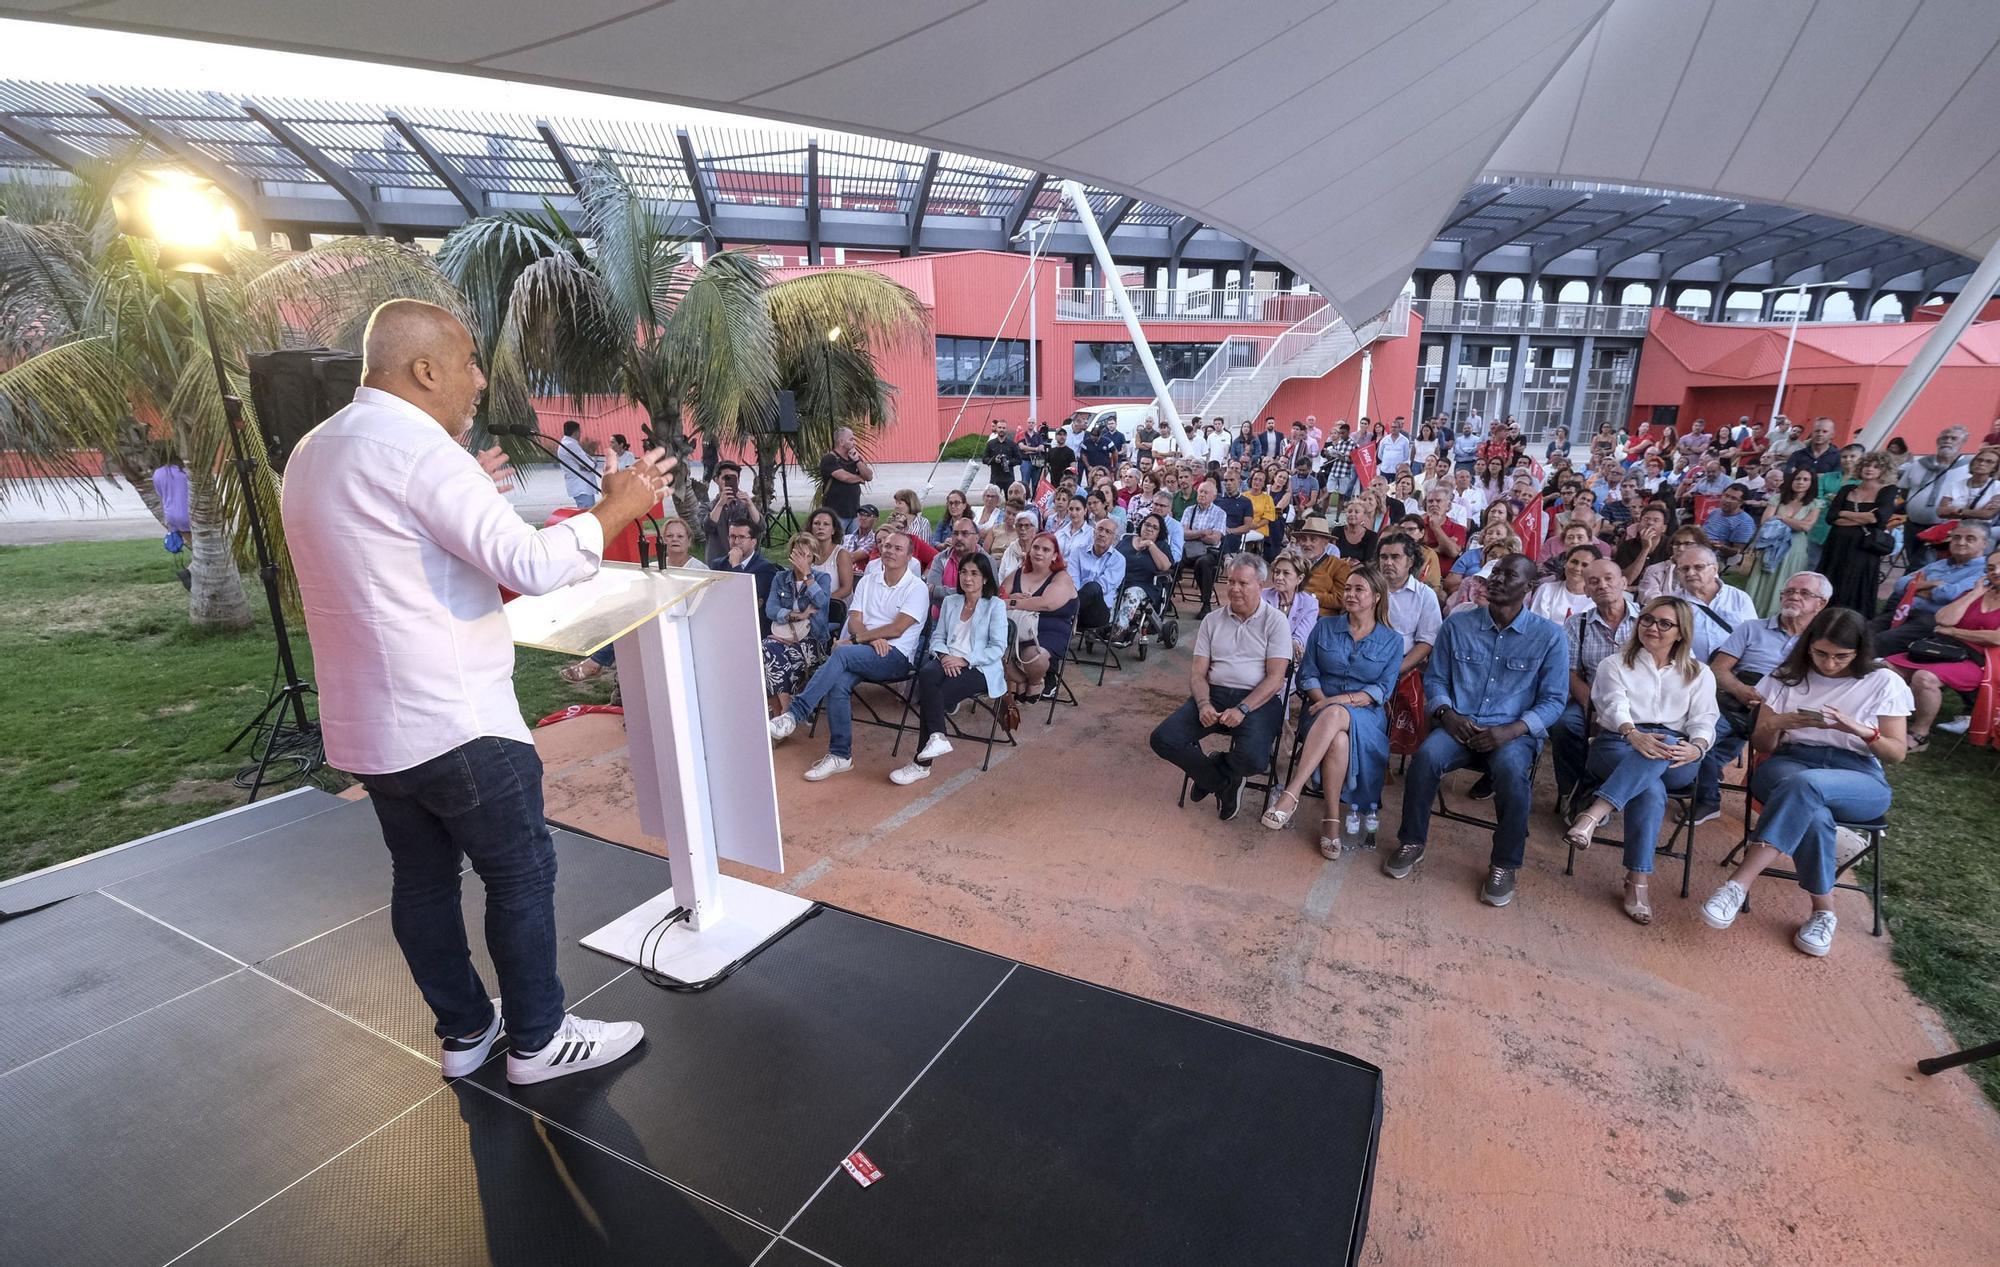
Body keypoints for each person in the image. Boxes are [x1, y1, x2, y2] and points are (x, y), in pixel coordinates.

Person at [282, 299, 661, 1085]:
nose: (480, 379)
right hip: (457, 722)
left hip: (369, 731)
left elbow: (398, 557)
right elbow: (525, 563)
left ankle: (465, 1032)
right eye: (468, 362)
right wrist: (615, 508)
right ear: (424, 370)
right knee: (519, 873)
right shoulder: (421, 453)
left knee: (421, 881)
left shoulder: (315, 450)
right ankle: (539, 1038)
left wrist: (467, 490)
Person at [1700, 608, 1911, 958]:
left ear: (1860, 651)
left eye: (1841, 656)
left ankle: (1738, 885)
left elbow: (1896, 753)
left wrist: (1860, 730)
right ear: (1808, 646)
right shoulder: (1786, 677)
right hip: (1790, 762)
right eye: (1821, 653)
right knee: (1810, 807)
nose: (1829, 664)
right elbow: (1763, 745)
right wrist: (1776, 723)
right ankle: (1824, 912)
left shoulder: (1883, 681)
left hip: (1857, 774)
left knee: (1807, 788)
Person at [1382, 555, 1569, 908]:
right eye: (1494, 573)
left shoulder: (1549, 637)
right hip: (1459, 725)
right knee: (1425, 759)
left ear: (1529, 588)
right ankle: (1412, 841)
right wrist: (1446, 714)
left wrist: (1511, 730)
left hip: (1512, 733)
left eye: (1508, 575)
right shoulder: (1458, 625)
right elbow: (1435, 678)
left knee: (1513, 773)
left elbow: (1554, 701)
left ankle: (1504, 863)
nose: (1495, 579)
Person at [1562, 597, 1719, 925]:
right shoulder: (1615, 664)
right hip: (1618, 743)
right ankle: (1637, 883)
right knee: (1649, 789)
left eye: (1665, 623)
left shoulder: (1699, 673)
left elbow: (1705, 720)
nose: (1653, 628)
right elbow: (1613, 706)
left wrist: (1699, 748)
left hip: (1678, 756)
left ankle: (1594, 813)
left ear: (1680, 633)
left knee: (1668, 744)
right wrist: (1633, 734)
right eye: (1647, 620)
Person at [1264, 565, 1404, 855]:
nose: (1350, 594)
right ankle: (1331, 821)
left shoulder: (1392, 640)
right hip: (1317, 709)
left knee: (1337, 714)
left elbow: (1382, 690)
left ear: (1377, 596)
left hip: (1366, 718)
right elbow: (1307, 675)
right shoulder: (1324, 627)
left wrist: (1337, 702)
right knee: (1337, 735)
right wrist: (1324, 701)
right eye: (1348, 588)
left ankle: (1292, 792)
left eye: (1359, 589)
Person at [769, 528, 928, 781]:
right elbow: (854, 620)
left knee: (841, 655)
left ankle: (794, 714)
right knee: (838, 683)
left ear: (910, 556)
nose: (890, 551)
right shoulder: (867, 580)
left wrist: (855, 640)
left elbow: (898, 628)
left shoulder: (917, 588)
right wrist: (869, 638)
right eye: (886, 546)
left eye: (898, 548)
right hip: (865, 649)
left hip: (896, 657)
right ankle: (841, 755)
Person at [1147, 555, 1293, 822]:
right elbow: (1198, 673)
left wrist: (1243, 708)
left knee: (1255, 761)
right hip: (1213, 694)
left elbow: (1275, 679)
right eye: (1231, 582)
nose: (1235, 588)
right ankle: (1222, 782)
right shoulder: (1212, 620)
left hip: (1257, 700)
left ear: (1260, 585)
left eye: (1243, 583)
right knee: (1162, 739)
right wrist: (1203, 704)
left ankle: (1215, 769)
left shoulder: (1275, 622)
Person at [1696, 572, 1832, 821]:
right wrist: (1740, 690)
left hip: (1786, 713)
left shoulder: (1825, 642)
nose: (1794, 597)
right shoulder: (1752, 628)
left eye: (1803, 593)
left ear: (1820, 603)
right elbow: (1718, 669)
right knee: (1699, 741)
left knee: (1799, 759)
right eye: (1789, 591)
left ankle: (1785, 818)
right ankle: (1708, 798)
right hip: (1738, 703)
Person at [890, 553, 1008, 786]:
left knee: (936, 696)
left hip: (980, 667)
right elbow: (938, 636)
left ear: (985, 578)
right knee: (927, 673)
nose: (967, 578)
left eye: (974, 573)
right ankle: (937, 736)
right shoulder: (951, 601)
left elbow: (998, 648)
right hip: (947, 658)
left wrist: (964, 660)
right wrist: (945, 656)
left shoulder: (995, 606)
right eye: (964, 572)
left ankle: (921, 765)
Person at [1892, 547, 2000, 749]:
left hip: (1984, 660)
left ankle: (1919, 734)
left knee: (1924, 678)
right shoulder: (1976, 593)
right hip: (1948, 650)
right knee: (1886, 668)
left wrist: (1954, 632)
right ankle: (1887, 721)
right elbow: (1943, 619)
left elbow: (1996, 638)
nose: (1996, 572)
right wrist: (1974, 594)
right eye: (1991, 567)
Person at [1554, 557, 1638, 816]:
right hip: (1592, 700)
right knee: (1565, 724)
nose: (1602, 585)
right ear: (1587, 591)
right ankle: (1573, 790)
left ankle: (1602, 793)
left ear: (1624, 582)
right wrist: (1596, 708)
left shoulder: (1649, 619)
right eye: (1594, 582)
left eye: (1609, 578)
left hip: (1642, 704)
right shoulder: (1576, 624)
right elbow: (1569, 672)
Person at [1871, 520, 1991, 655]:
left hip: (1935, 620)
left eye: (1970, 539)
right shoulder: (1939, 564)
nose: (1961, 542)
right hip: (1908, 611)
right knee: (1860, 631)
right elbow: (1900, 584)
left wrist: (1916, 587)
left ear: (1984, 544)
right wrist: (1934, 584)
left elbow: (1951, 595)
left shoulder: (1985, 570)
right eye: (1956, 537)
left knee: (1880, 641)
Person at [1002, 532, 1079, 702]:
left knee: (1035, 656)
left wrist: (1012, 602)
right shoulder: (1017, 574)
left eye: (1046, 549)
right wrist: (1008, 599)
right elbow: (997, 598)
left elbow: (1047, 603)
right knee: (992, 656)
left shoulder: (1061, 577)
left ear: (1055, 556)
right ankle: (1021, 679)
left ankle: (1036, 681)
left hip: (1049, 632)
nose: (1039, 552)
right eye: (1036, 547)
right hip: (1013, 630)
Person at [1819, 451, 1898, 617]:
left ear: (1883, 470)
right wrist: (1863, 517)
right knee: (1831, 581)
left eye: (1876, 467)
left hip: (1864, 548)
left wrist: (1844, 513)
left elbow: (1879, 518)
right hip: (1837, 546)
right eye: (1867, 465)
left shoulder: (1888, 491)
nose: (1870, 469)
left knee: (1856, 585)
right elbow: (1831, 517)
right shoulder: (1847, 489)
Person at [763, 532, 832, 717]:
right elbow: (770, 610)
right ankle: (785, 712)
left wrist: (807, 575)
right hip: (782, 636)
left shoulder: (822, 578)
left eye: (806, 555)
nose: (801, 560)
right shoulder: (780, 578)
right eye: (797, 554)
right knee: (767, 650)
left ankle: (780, 713)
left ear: (813, 558)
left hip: (811, 640)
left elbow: (821, 602)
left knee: (769, 656)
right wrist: (798, 615)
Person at [1744, 467, 1821, 616]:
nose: (1800, 482)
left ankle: (1777, 613)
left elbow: (1806, 526)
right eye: (1798, 478)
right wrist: (1794, 523)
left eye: (1806, 479)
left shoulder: (1815, 504)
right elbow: (1766, 520)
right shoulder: (1778, 498)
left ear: (1812, 483)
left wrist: (1781, 518)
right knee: (1763, 578)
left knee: (1786, 579)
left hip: (1795, 548)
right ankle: (1753, 611)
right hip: (1771, 544)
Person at [1899, 426, 1970, 570]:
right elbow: (1905, 490)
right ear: (1938, 441)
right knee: (1913, 560)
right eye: (1944, 438)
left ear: (1963, 443)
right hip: (1913, 524)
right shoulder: (1918, 464)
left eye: (1953, 438)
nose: (1947, 441)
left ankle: (1908, 589)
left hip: (1942, 528)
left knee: (1924, 566)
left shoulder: (1968, 468)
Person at [1112, 512, 1175, 642]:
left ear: (1159, 532)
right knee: (1108, 591)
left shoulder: (1161, 545)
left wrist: (1150, 545)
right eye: (1147, 524)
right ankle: (1105, 625)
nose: (1150, 528)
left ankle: (1120, 628)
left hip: (1144, 585)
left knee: (1131, 593)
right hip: (1120, 580)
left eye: (1155, 527)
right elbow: (1112, 558)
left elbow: (1165, 566)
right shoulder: (1126, 540)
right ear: (1141, 526)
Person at [715, 519, 780, 629]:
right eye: (732, 536)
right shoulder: (718, 565)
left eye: (741, 537)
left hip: (753, 626)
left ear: (753, 542)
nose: (736, 542)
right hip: (724, 622)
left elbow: (746, 599)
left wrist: (736, 565)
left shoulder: (766, 569)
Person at [1071, 515, 1127, 632]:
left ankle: (1067, 613)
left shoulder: (1119, 560)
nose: (1102, 534)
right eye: (1100, 529)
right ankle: (1070, 613)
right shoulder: (1078, 551)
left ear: (1114, 538)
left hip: (1099, 613)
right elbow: (1072, 579)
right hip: (1075, 602)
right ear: (1093, 532)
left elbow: (1103, 587)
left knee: (1094, 586)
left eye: (1108, 532)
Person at [1180, 477, 1228, 614]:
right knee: (1174, 559)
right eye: (1200, 491)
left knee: (1203, 563)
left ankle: (1206, 603)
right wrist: (1202, 533)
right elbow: (1182, 534)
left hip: (1210, 552)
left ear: (1213, 496)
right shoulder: (1189, 510)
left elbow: (1214, 540)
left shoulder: (1220, 513)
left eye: (1205, 492)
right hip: (1190, 549)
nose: (1201, 494)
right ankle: (1166, 600)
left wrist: (1193, 534)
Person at [700, 460, 762, 562]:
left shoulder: (745, 506)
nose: (729, 481)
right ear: (716, 480)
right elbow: (707, 527)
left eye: (734, 478)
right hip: (717, 563)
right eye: (726, 478)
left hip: (745, 563)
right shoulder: (706, 507)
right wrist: (720, 504)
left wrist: (750, 505)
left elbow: (760, 527)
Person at [1261, 550, 1319, 658]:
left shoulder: (1310, 604)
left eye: (1286, 573)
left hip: (1291, 661)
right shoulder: (1261, 596)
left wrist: (1292, 644)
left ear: (1300, 578)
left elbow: (1300, 641)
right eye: (1277, 572)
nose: (1279, 577)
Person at [925, 515, 991, 607]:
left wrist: (943, 592)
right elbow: (931, 593)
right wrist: (970, 592)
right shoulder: (940, 559)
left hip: (976, 614)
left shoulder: (987, 560)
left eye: (965, 533)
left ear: (977, 537)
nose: (959, 538)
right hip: (942, 616)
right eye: (955, 533)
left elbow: (989, 594)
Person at [818, 426, 873, 534]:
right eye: (851, 439)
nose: (854, 443)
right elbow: (844, 477)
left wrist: (857, 461)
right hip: (836, 514)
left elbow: (869, 476)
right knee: (837, 544)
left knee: (853, 544)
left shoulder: (854, 457)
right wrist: (859, 479)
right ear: (841, 442)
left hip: (854, 512)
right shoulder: (830, 459)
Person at [1529, 543, 1601, 623]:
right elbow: (1536, 625)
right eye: (1574, 562)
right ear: (1565, 563)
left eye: (1585, 565)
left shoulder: (1598, 600)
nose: (1577, 568)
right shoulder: (1546, 590)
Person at [1939, 445, 2000, 528]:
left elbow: (1987, 514)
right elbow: (1941, 512)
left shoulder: (1997, 487)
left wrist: (1958, 510)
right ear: (1973, 462)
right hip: (1952, 529)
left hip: (1980, 530)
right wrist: (1977, 513)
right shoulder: (1956, 485)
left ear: (1995, 468)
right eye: (1979, 460)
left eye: (1989, 462)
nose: (1982, 463)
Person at [1701, 483, 1757, 571]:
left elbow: (1737, 552)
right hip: (1700, 546)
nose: (1727, 500)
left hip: (1715, 557)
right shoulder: (1715, 512)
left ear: (1741, 502)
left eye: (1733, 498)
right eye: (1726, 495)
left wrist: (1719, 546)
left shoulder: (1745, 522)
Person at [557, 419, 596, 509]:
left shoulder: (566, 443)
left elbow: (586, 462)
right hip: (582, 487)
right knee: (586, 515)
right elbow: (590, 465)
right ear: (576, 432)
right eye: (580, 431)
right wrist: (592, 462)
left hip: (581, 486)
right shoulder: (571, 445)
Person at [1334, 497, 1378, 564]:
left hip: (1361, 572)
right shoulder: (1337, 531)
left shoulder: (1372, 536)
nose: (1352, 514)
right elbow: (1332, 556)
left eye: (1356, 512)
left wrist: (1358, 564)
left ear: (1364, 516)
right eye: (1349, 511)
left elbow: (1369, 562)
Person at [983, 424, 1019, 492]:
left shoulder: (1012, 444)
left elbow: (1019, 460)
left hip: (1009, 478)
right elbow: (984, 459)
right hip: (995, 478)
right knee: (993, 500)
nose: (1001, 429)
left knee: (1010, 501)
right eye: (999, 427)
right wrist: (994, 460)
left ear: (1006, 429)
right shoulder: (990, 443)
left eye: (1003, 428)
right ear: (996, 429)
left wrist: (1009, 462)